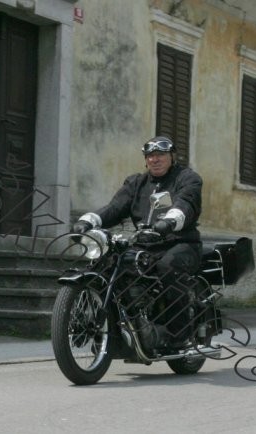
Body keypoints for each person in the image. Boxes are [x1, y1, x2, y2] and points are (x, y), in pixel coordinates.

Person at [72, 136, 203, 348]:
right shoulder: (136, 183)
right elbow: (115, 207)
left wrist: (169, 222)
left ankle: (179, 333)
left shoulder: (187, 178)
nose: (155, 160)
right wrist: (89, 220)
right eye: (150, 156)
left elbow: (186, 202)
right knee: (109, 265)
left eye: (160, 155)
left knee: (167, 267)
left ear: (172, 156)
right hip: (144, 245)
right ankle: (119, 324)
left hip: (180, 242)